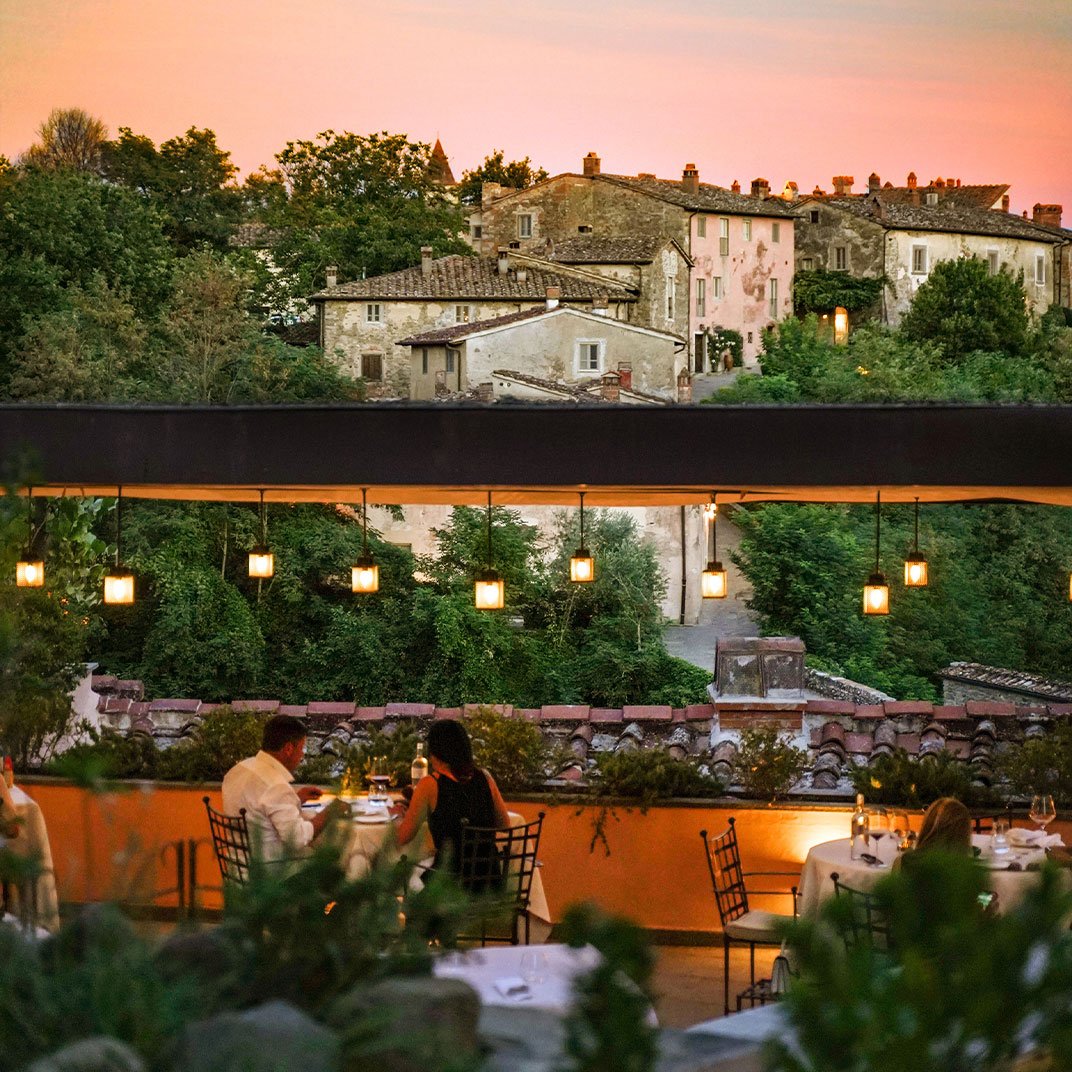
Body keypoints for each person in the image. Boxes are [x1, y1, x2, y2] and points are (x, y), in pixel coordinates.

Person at [393, 719, 509, 887]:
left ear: (435, 752)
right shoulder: (485, 777)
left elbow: (403, 837)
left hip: (449, 887)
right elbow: (504, 824)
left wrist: (397, 815)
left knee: (405, 876)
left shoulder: (429, 784)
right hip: (489, 884)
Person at [221, 714, 343, 862]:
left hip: (238, 867)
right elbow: (298, 838)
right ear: (289, 749)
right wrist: (330, 811)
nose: (302, 755)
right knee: (337, 860)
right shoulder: (275, 785)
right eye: (301, 748)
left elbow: (258, 808)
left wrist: (295, 799)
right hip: (272, 876)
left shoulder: (239, 770)